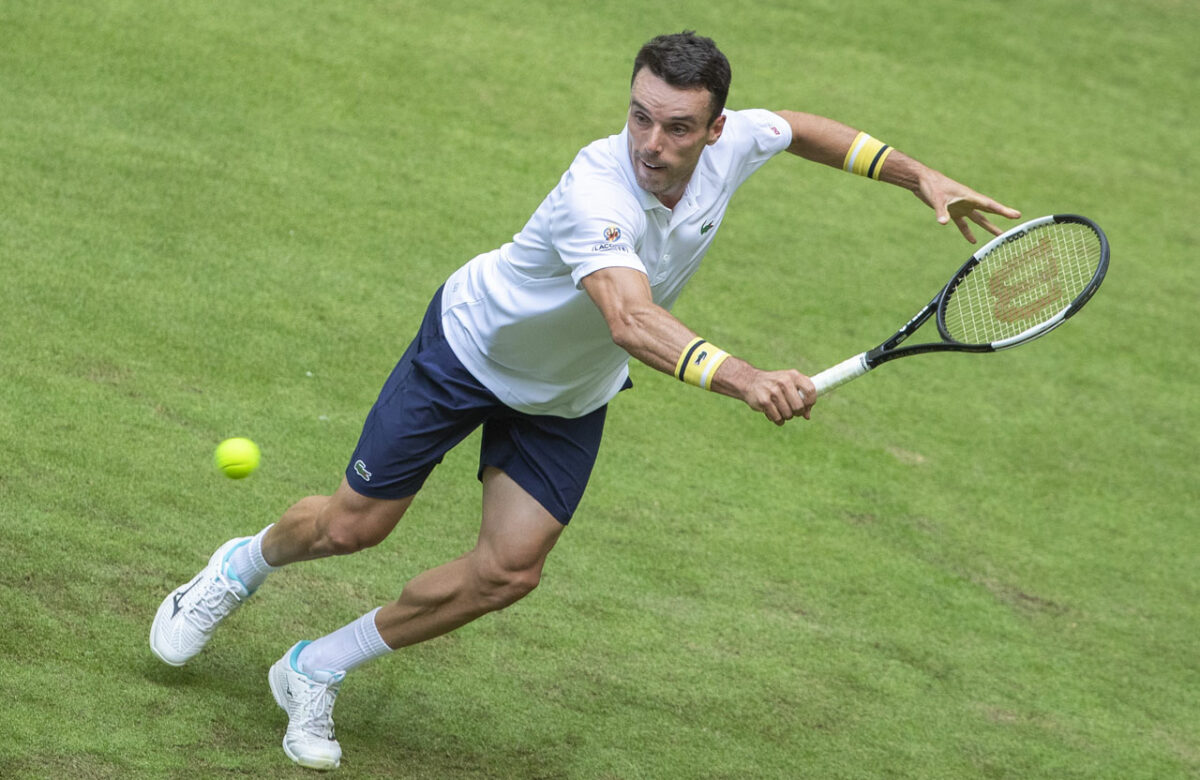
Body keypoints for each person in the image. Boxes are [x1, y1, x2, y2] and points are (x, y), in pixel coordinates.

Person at [150, 31, 1020, 770]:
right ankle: (240, 567)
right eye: (639, 115)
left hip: (565, 395)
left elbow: (798, 130)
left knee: (508, 572)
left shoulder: (735, 142)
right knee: (352, 527)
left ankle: (315, 665)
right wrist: (748, 377)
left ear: (714, 130)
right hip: (471, 347)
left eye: (677, 126)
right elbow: (633, 320)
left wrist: (919, 176)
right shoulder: (596, 189)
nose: (651, 140)